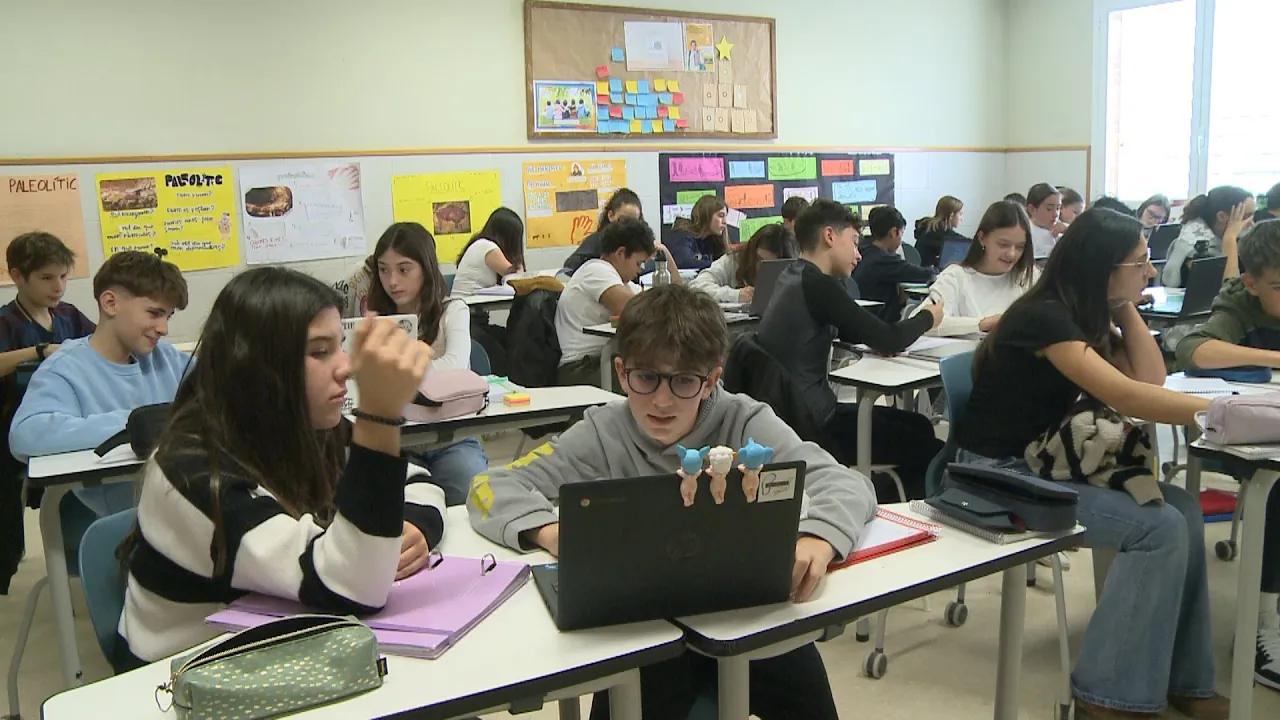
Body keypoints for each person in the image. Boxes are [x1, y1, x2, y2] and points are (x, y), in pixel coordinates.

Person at [468, 283, 876, 720]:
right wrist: (548, 531)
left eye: (683, 380)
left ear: (712, 379)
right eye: (646, 378)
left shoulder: (744, 420)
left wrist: (818, 538)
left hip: (745, 616)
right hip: (642, 629)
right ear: (622, 373)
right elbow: (488, 487)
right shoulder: (603, 431)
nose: (662, 400)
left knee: (808, 694)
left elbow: (847, 484)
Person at [956, 208, 1227, 719]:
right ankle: (1104, 697)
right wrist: (1226, 414)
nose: (1150, 272)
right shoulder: (1045, 318)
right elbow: (1128, 395)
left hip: (1046, 466)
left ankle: (1185, 680)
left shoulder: (1085, 313)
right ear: (1103, 267)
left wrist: (1125, 307)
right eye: (1141, 262)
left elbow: (1150, 379)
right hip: (995, 474)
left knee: (1184, 511)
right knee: (1160, 528)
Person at [115, 267, 446, 669]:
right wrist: (379, 419)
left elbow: (417, 481)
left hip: (287, 644)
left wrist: (413, 526)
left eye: (341, 346)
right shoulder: (192, 473)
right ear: (258, 366)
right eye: (320, 352)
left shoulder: (306, 422)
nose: (345, 366)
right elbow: (354, 586)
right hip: (193, 676)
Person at [757, 199, 944, 502]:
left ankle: (890, 493)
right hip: (815, 425)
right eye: (855, 243)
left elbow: (856, 330)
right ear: (830, 236)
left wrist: (878, 337)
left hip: (796, 412)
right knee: (928, 445)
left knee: (920, 424)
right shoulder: (819, 285)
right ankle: (899, 512)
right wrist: (928, 317)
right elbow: (890, 339)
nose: (859, 255)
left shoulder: (793, 275)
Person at [1174, 220, 1280, 693]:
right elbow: (1194, 351)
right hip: (1247, 438)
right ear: (1252, 282)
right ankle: (1264, 624)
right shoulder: (1239, 299)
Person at [10, 250, 190, 517]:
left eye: (168, 316)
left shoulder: (168, 359)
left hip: (181, 508)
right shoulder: (65, 369)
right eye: (154, 313)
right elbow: (25, 434)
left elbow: (221, 397)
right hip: (116, 519)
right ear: (110, 303)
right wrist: (137, 424)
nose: (163, 328)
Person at [365, 222, 489, 506]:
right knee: (384, 506)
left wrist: (405, 365)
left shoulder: (452, 310)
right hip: (396, 440)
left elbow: (458, 366)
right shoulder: (375, 321)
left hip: (451, 437)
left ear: (426, 269)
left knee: (471, 495)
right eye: (383, 270)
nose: (392, 281)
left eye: (404, 269)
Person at [0, 232, 95, 593]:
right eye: (46, 278)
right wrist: (38, 351)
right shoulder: (7, 322)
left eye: (63, 277)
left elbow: (98, 342)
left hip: (64, 424)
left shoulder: (69, 316)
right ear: (17, 276)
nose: (58, 286)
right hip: (12, 429)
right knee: (8, 523)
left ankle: (83, 560)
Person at [555, 218, 680, 387]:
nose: (640, 270)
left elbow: (677, 294)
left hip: (604, 362)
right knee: (660, 381)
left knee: (676, 373)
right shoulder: (595, 270)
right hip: (581, 368)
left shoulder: (622, 281)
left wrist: (665, 254)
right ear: (620, 253)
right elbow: (636, 310)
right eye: (639, 263)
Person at [908, 201, 1037, 336]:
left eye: (1020, 247)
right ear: (982, 238)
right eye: (1003, 244)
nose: (1011, 254)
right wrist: (981, 324)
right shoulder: (956, 276)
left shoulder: (1031, 276)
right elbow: (917, 323)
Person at [852, 206, 938, 322]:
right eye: (901, 233)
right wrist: (939, 270)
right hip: (880, 323)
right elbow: (923, 274)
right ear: (893, 232)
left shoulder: (864, 250)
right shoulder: (883, 260)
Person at [1162, 185, 1254, 288]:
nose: (1251, 223)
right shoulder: (1196, 252)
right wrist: (1230, 239)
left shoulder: (1240, 241)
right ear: (1221, 216)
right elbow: (1232, 293)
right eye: (1245, 217)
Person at [689, 223, 797, 303]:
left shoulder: (794, 270)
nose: (760, 267)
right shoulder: (734, 260)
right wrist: (735, 295)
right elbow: (695, 287)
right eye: (758, 259)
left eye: (770, 264)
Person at [562, 188, 643, 275]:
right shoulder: (598, 240)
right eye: (622, 220)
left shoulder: (638, 244)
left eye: (634, 222)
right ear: (611, 216)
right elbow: (569, 267)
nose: (628, 227)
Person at [450, 208, 525, 296]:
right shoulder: (488, 247)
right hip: (466, 304)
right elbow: (516, 276)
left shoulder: (480, 242)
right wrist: (518, 257)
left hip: (467, 303)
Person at [667, 195, 729, 270]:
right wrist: (719, 265)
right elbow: (682, 261)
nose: (725, 222)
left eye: (726, 216)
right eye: (721, 215)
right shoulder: (683, 233)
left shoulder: (713, 239)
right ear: (706, 215)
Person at [912, 195, 967, 268]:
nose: (962, 218)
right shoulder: (942, 235)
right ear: (951, 215)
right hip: (929, 276)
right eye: (960, 214)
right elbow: (964, 243)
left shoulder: (927, 229)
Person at [1026, 183, 1066, 258]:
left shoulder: (1062, 230)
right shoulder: (1026, 232)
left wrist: (1069, 231)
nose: (1056, 214)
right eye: (1049, 209)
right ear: (1032, 209)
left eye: (1058, 208)